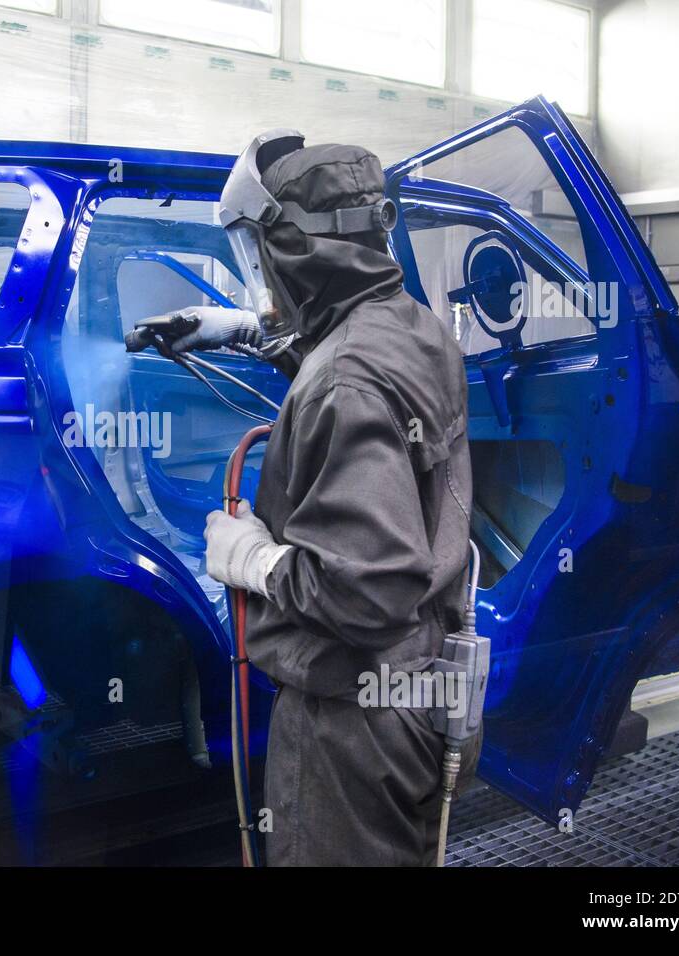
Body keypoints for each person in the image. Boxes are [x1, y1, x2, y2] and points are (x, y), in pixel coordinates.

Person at [138, 131, 475, 866]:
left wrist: (253, 560)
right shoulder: (417, 329)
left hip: (351, 728)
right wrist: (239, 329)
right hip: (416, 699)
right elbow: (350, 350)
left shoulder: (344, 383)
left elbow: (371, 589)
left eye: (257, 253)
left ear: (291, 248)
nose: (257, 272)